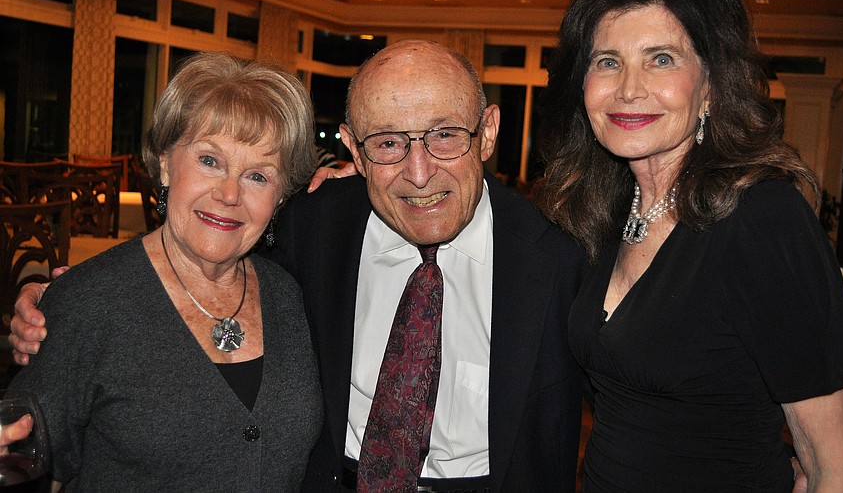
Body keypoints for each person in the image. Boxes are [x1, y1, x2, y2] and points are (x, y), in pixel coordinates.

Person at [11, 40, 586, 492]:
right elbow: (34, 432)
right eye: (386, 143)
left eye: (443, 136)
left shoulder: (565, 253)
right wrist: (46, 299)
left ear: (487, 132)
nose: (418, 171)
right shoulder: (317, 232)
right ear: (354, 152)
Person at [534, 0, 843, 492]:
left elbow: (831, 461)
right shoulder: (600, 215)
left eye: (661, 59)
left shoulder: (763, 220)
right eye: (607, 61)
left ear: (710, 86)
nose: (629, 88)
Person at [8, 52, 323, 491]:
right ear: (164, 163)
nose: (229, 194)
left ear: (280, 197)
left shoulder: (289, 297)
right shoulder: (87, 302)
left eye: (257, 176)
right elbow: (23, 459)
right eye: (209, 161)